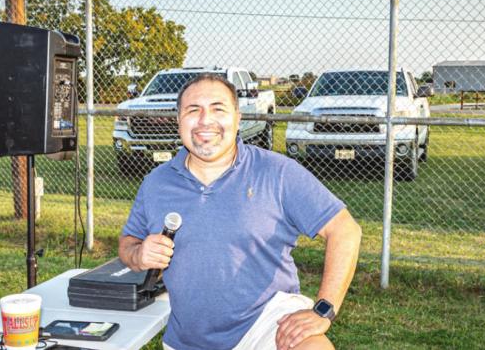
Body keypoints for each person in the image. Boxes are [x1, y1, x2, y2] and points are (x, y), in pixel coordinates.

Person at [119, 73, 362, 350]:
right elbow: (128, 243)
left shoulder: (277, 173)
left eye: (217, 109)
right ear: (178, 120)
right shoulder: (156, 182)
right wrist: (139, 254)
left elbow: (344, 230)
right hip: (188, 340)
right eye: (193, 110)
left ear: (238, 117)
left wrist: (323, 309)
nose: (205, 120)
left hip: (268, 327)